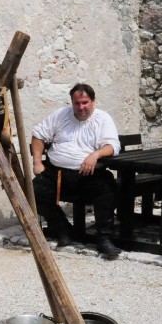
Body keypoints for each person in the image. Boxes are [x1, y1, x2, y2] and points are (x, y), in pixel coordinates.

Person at [31, 83, 121, 260]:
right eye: (77, 103)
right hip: (57, 174)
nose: (81, 107)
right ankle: (63, 230)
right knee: (34, 191)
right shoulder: (60, 115)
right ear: (72, 102)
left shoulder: (103, 119)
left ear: (93, 101)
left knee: (107, 188)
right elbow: (39, 135)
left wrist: (96, 154)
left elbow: (112, 146)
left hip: (88, 175)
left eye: (85, 102)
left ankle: (104, 238)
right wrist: (36, 163)